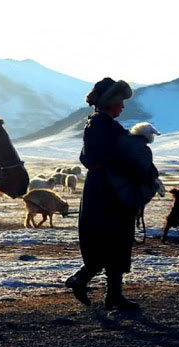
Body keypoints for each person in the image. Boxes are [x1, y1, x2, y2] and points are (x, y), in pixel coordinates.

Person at [65, 77, 156, 310]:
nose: (123, 107)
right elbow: (110, 158)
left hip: (107, 187)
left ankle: (113, 295)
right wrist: (137, 168)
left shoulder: (102, 124)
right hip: (107, 189)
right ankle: (83, 281)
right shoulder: (100, 125)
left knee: (116, 238)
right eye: (120, 102)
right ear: (110, 102)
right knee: (109, 237)